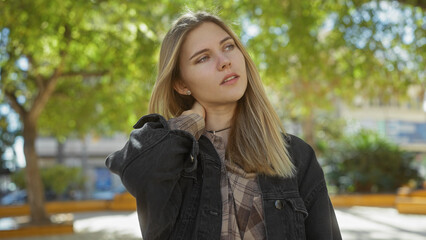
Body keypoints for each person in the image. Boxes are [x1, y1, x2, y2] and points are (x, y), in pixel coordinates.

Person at [106, 11, 342, 240]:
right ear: (181, 83)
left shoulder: (296, 156)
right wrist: (190, 122)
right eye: (203, 58)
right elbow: (135, 169)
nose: (224, 62)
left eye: (228, 46)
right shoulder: (172, 158)